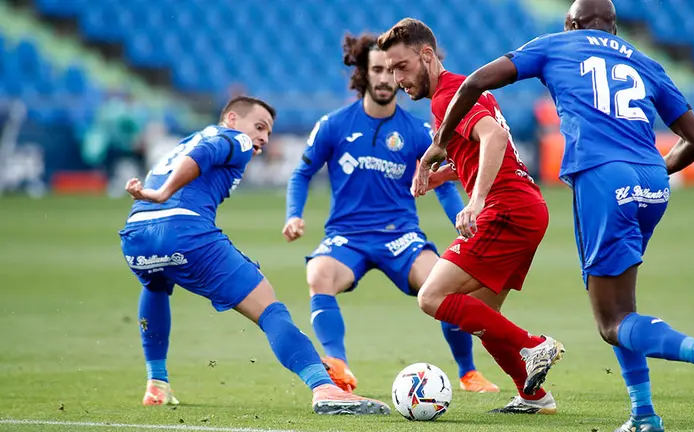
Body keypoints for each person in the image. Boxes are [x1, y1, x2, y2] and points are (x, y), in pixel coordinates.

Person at [422, 0, 694, 429]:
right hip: (651, 182)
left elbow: (476, 81)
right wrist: (652, 172)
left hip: (602, 181)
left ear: (572, 23)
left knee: (611, 320)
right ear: (611, 27)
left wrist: (442, 139)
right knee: (623, 307)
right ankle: (643, 415)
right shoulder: (644, 60)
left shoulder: (558, 44)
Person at [119, 96, 390, 416]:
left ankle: (157, 384)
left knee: (155, 286)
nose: (262, 137)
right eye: (259, 127)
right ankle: (324, 387)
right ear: (232, 119)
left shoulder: (187, 140)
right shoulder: (235, 138)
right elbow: (206, 154)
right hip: (183, 231)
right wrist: (164, 194)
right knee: (270, 309)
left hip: (136, 238)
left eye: (269, 132)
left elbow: (197, 155)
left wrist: (159, 195)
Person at [283, 33, 499, 393]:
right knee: (318, 272)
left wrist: (465, 220)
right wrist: (294, 214)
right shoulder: (334, 124)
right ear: (364, 74)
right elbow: (301, 173)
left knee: (445, 286)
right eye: (377, 70)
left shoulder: (417, 131)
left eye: (391, 70)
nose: (385, 78)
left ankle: (467, 372)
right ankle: (337, 365)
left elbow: (443, 185)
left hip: (401, 236)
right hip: (347, 236)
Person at [378, 19, 565, 414]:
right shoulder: (462, 89)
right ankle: (533, 396)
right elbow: (479, 150)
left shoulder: (448, 96)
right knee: (481, 314)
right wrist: (442, 173)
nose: (397, 79)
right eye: (391, 70)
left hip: (507, 209)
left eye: (400, 67)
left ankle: (535, 345)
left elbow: (494, 139)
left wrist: (476, 201)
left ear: (426, 55)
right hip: (526, 207)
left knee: (431, 297)